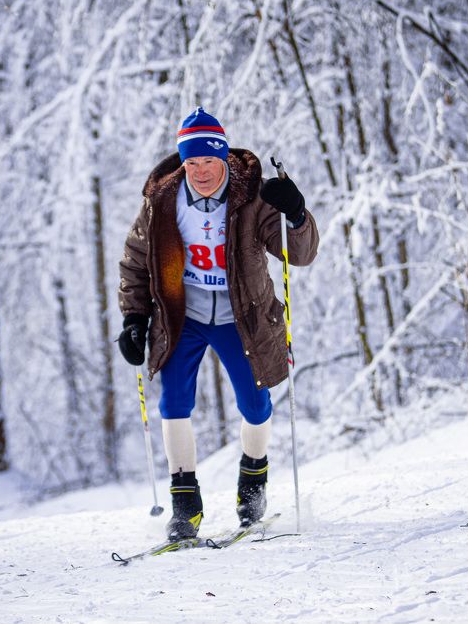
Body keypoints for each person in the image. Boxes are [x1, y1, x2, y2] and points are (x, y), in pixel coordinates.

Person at [117, 107, 319, 540]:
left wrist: (298, 215)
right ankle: (185, 504)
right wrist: (134, 318)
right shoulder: (162, 202)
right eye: (192, 163)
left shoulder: (253, 198)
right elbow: (136, 261)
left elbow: (299, 255)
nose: (201, 172)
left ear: (223, 158)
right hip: (181, 316)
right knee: (173, 403)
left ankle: (252, 483)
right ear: (183, 162)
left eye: (209, 161)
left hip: (239, 315)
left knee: (255, 405)